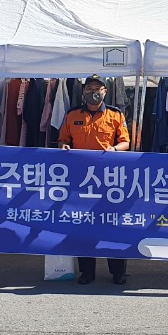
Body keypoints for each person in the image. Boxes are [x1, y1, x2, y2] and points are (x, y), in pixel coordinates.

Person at [58, 75, 131, 285]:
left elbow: (126, 142)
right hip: (80, 181)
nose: (93, 92)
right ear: (83, 92)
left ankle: (118, 272)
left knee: (112, 226)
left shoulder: (115, 115)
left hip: (109, 181)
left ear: (105, 92)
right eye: (89, 88)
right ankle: (87, 272)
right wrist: (63, 146)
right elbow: (62, 139)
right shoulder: (72, 115)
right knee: (82, 226)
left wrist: (114, 149)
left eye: (98, 88)